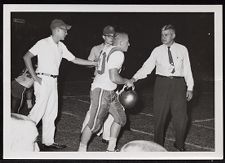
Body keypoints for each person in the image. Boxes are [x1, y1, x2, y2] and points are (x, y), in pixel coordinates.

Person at [23, 19, 97, 151]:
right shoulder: (43, 43)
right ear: (57, 30)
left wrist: (95, 64)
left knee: (51, 113)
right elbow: (26, 57)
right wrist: (35, 77)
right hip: (43, 80)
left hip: (53, 81)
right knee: (38, 111)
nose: (67, 33)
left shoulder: (61, 46)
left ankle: (48, 142)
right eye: (65, 30)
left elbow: (74, 59)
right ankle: (23, 137)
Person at [128, 24, 194, 151]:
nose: (163, 37)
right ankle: (158, 146)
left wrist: (190, 87)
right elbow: (147, 67)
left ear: (173, 35)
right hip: (161, 84)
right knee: (160, 117)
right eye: (162, 35)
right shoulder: (157, 50)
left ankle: (180, 145)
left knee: (182, 118)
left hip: (178, 84)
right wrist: (134, 78)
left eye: (166, 34)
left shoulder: (182, 49)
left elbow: (187, 69)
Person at [78, 32, 133, 152]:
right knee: (95, 125)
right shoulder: (118, 53)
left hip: (109, 90)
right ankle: (81, 151)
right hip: (102, 90)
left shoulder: (107, 48)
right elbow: (114, 77)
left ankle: (111, 149)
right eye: (127, 41)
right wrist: (126, 81)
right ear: (121, 42)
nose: (129, 44)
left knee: (121, 118)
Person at [81, 25, 116, 144]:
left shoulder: (117, 49)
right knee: (93, 109)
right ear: (103, 36)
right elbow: (87, 64)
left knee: (112, 110)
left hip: (112, 83)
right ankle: (84, 132)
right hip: (99, 83)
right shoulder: (96, 48)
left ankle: (106, 136)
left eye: (113, 36)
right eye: (109, 36)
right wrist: (97, 62)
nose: (111, 38)